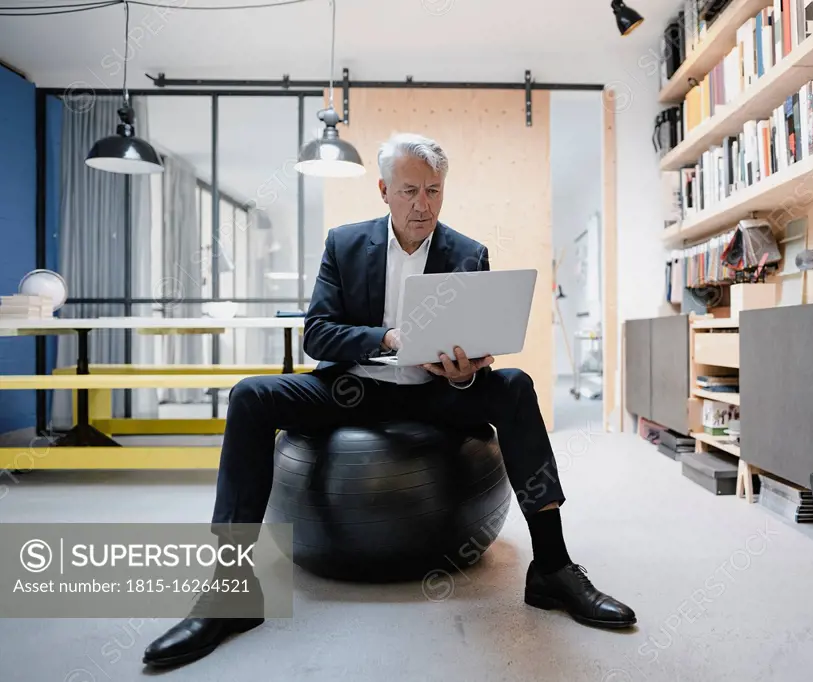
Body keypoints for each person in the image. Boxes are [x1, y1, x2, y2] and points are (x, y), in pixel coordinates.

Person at [143, 132, 635, 669]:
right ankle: (230, 590)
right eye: (409, 191)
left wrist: (467, 372)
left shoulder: (468, 253)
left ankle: (552, 567)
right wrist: (387, 339)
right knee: (250, 396)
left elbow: (476, 342)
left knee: (514, 385)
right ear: (383, 190)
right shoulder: (345, 243)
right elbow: (318, 334)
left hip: (434, 394)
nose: (422, 205)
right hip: (351, 391)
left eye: (433, 190)